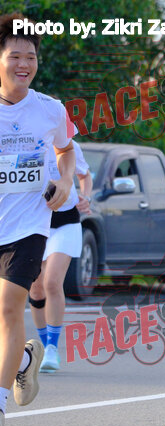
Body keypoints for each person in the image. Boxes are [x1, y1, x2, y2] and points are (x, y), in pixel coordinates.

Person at [0, 13, 76, 426]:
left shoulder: (50, 109)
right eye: (15, 56)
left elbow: (66, 150)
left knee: (9, 307)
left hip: (29, 226)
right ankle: (24, 360)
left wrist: (65, 181)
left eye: (30, 56)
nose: (23, 64)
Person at [29, 140, 92, 372]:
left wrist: (86, 197)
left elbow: (84, 175)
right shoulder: (29, 142)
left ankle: (52, 349)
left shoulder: (70, 146)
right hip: (34, 222)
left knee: (52, 282)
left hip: (66, 222)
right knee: (36, 288)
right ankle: (45, 345)